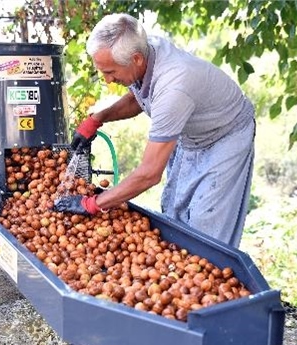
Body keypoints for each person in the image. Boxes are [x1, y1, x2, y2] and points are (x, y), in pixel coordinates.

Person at [54, 13, 256, 249]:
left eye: (111, 72)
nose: (107, 80)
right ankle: (178, 270)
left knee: (207, 227)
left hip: (225, 135)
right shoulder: (144, 50)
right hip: (191, 134)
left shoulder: (174, 88)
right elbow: (137, 98)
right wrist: (97, 119)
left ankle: (208, 280)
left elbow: (149, 173)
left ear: (136, 59)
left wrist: (93, 203)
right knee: (174, 209)